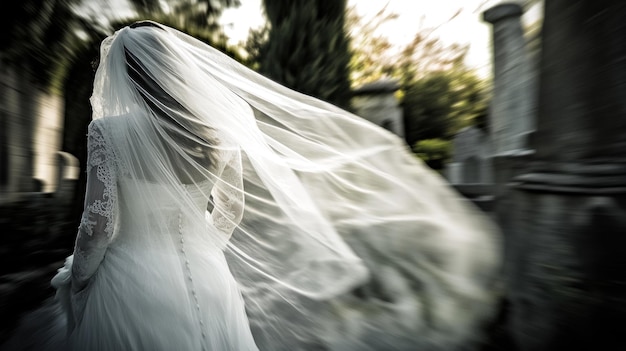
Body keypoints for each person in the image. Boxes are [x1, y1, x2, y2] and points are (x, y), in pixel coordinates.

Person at [2, 20, 501, 351]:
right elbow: (231, 210)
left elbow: (98, 224)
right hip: (207, 272)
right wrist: (199, 248)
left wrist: (81, 278)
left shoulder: (108, 132)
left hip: (130, 278)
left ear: (130, 79)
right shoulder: (214, 134)